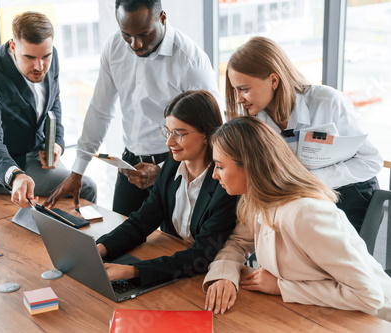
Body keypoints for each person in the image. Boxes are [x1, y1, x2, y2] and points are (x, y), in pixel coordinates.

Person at [44, 0, 223, 216]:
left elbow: (213, 128)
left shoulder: (190, 61)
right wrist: (77, 171)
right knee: (118, 236)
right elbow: (99, 111)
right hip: (130, 164)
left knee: (169, 243)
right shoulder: (114, 48)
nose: (135, 44)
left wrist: (164, 170)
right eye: (126, 34)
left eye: (143, 34)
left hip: (175, 165)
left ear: (162, 18)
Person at [204, 116, 391, 321]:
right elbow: (238, 243)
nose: (214, 175)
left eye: (220, 166)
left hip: (372, 320)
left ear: (250, 166)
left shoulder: (304, 213)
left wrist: (281, 287)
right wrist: (225, 275)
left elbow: (369, 296)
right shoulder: (257, 199)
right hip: (318, 315)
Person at [223, 36, 382, 232]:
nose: (238, 99)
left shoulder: (327, 102)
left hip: (350, 195)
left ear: (273, 80)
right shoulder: (255, 120)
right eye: (235, 91)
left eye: (244, 89)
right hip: (301, 200)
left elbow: (371, 161)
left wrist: (310, 181)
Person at [96, 90, 237, 286]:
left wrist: (132, 271)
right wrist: (99, 249)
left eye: (178, 134)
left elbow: (201, 256)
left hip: (208, 277)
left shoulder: (224, 183)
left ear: (206, 134)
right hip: (172, 261)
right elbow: (141, 222)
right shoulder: (171, 167)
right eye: (168, 132)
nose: (169, 142)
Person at [0, 11, 96, 208]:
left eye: (46, 56)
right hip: (0, 165)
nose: (40, 66)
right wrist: (15, 175)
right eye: (29, 57)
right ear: (13, 46)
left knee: (74, 190)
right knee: (86, 187)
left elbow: (54, 103)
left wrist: (56, 142)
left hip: (35, 151)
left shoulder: (52, 57)